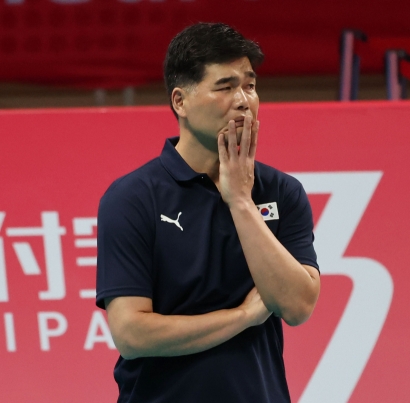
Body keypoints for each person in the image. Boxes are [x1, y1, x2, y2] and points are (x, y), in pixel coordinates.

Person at [96, 22, 321, 403]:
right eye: (225, 86)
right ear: (180, 101)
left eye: (249, 85)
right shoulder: (132, 198)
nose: (243, 100)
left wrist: (240, 201)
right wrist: (244, 317)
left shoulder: (282, 192)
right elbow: (132, 334)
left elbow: (298, 305)